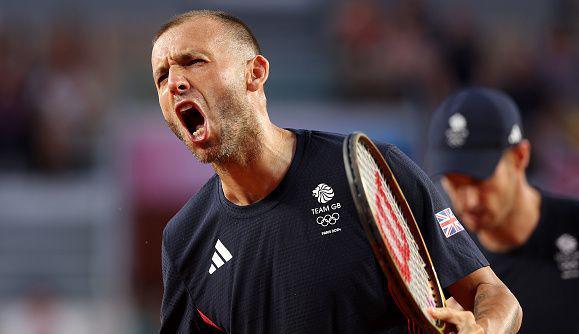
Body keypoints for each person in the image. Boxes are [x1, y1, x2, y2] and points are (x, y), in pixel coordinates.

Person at [151, 10, 521, 333]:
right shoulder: (185, 240)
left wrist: (485, 329)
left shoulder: (372, 173)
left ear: (255, 73)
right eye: (162, 76)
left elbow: (493, 295)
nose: (175, 83)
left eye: (194, 61)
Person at [427, 87, 579, 333]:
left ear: (520, 156)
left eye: (480, 180)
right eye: (454, 182)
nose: (469, 200)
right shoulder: (442, 265)